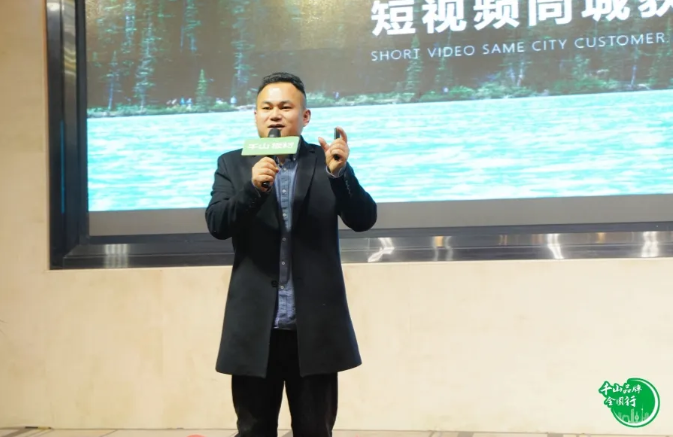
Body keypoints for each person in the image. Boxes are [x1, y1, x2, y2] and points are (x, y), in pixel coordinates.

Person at [205, 72, 377, 437]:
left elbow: (363, 219)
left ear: (305, 116)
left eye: (286, 107)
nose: (275, 115)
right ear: (255, 115)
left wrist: (341, 176)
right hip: (256, 328)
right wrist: (253, 189)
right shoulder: (233, 164)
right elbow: (218, 224)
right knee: (253, 430)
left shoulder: (326, 162)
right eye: (266, 108)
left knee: (315, 430)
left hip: (313, 328)